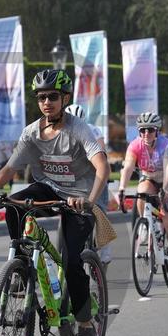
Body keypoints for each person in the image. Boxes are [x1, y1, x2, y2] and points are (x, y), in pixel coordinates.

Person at [0, 69, 110, 336]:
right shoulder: (32, 132)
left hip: (78, 198)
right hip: (48, 189)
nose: (46, 102)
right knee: (13, 204)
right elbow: (10, 167)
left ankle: (86, 324)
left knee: (72, 261)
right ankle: (22, 266)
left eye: (52, 96)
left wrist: (89, 200)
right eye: (41, 97)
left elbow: (102, 166)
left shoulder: (78, 129)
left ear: (65, 99)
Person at [118, 112, 168, 280]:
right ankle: (145, 224)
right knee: (141, 192)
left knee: (167, 219)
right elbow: (128, 167)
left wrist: (166, 190)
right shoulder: (135, 145)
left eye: (150, 130)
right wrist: (122, 189)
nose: (146, 133)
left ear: (157, 131)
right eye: (142, 130)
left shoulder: (167, 145)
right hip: (151, 179)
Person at [65, 103, 111, 270]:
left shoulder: (93, 130)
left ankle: (105, 253)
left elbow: (102, 154)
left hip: (94, 175)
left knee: (99, 210)